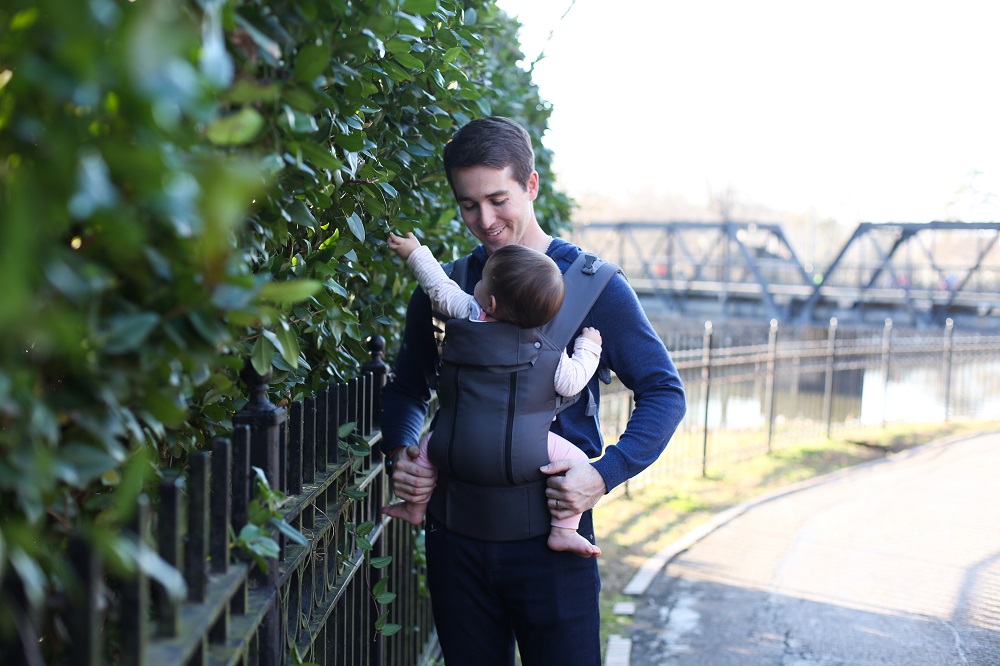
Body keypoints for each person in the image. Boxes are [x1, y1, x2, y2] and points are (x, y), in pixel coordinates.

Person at [380, 116, 686, 666]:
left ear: (531, 185)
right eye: (468, 205)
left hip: (554, 546)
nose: (486, 220)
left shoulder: (596, 287)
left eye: (498, 199)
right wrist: (402, 450)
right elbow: (407, 386)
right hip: (456, 542)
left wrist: (603, 473)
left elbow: (664, 392)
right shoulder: (447, 289)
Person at [383, 231, 603, 557]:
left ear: (492, 302)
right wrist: (589, 347)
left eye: (483, 280)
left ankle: (415, 507)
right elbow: (572, 382)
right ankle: (564, 530)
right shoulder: (551, 352)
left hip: (454, 442)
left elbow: (438, 287)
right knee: (581, 462)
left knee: (424, 452)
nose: (476, 283)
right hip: (527, 451)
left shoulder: (469, 313)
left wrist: (414, 252)